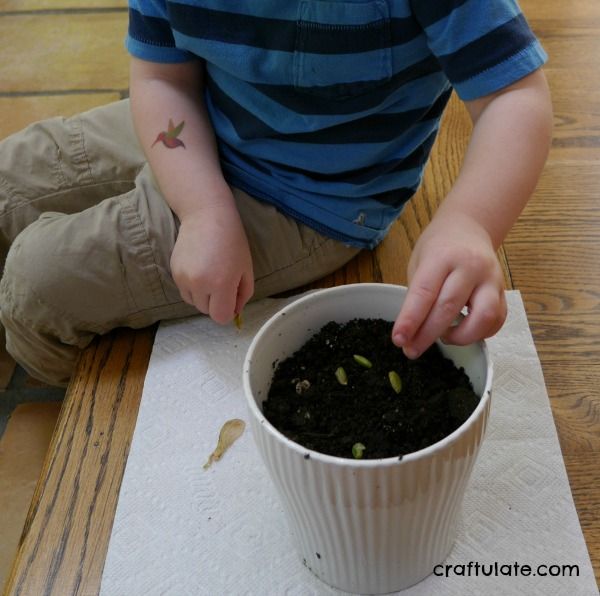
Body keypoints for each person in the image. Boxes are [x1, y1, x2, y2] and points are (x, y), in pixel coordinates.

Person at [0, 1, 552, 387]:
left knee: (38, 286)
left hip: (311, 200)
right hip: (191, 123)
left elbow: (513, 95)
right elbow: (163, 80)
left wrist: (470, 222)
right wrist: (201, 207)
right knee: (10, 174)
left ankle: (78, 404)